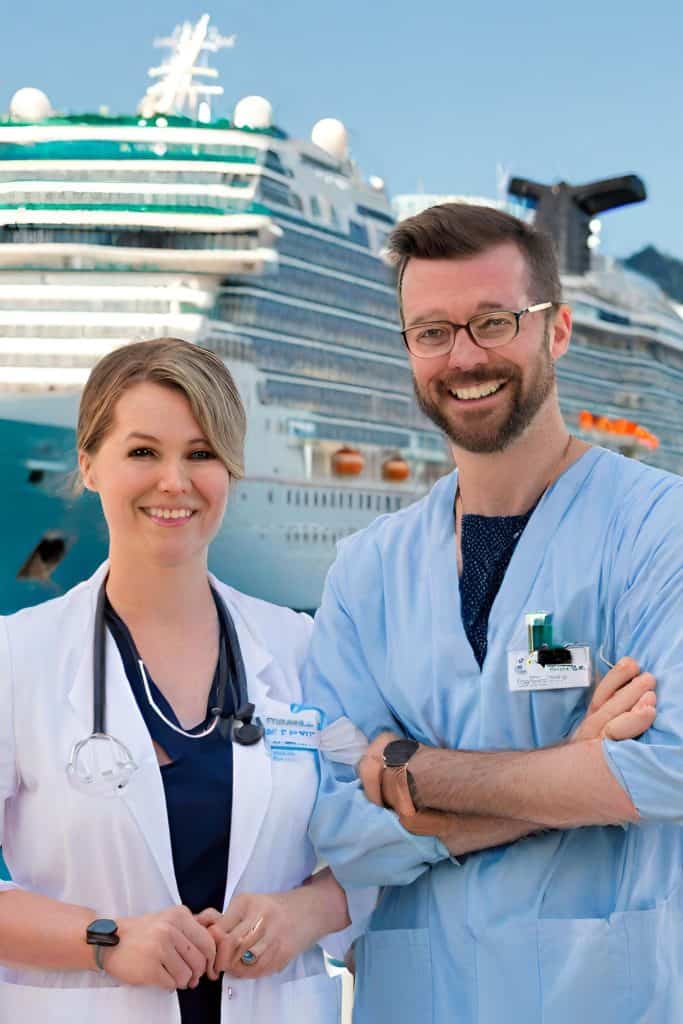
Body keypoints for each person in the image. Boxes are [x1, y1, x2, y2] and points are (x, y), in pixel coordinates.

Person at [305, 203, 683, 1023]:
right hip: (414, 1000)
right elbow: (332, 819)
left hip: (604, 998)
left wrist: (420, 771)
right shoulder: (366, 569)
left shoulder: (659, 529)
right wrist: (571, 765)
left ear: (557, 330)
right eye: (431, 332)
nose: (463, 356)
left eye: (492, 321)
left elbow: (668, 764)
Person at [0, 338, 371, 1023]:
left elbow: (402, 821)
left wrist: (306, 911)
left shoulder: (299, 647)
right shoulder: (16, 658)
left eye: (201, 454)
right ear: (88, 464)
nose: (175, 481)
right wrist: (104, 941)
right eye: (143, 452)